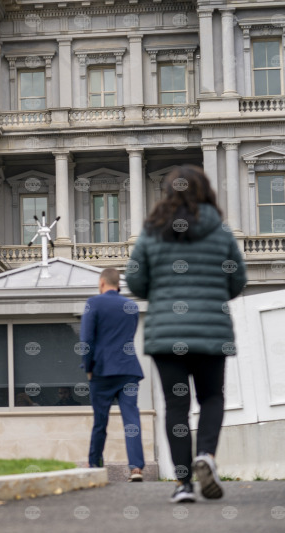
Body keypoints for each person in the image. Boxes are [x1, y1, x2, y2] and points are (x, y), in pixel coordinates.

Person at [125, 165, 246, 503]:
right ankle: (205, 455)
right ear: (206, 191)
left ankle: (183, 484)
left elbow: (134, 280)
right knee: (212, 398)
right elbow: (237, 279)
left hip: (167, 334)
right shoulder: (220, 231)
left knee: (176, 406)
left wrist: (160, 290)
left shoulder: (152, 231)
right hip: (211, 331)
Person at [80, 267, 145, 482]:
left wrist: (88, 368)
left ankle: (95, 463)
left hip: (102, 371)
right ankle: (136, 468)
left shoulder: (94, 303)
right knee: (131, 419)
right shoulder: (131, 306)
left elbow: (86, 340)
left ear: (101, 283)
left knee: (100, 420)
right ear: (118, 285)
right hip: (128, 369)